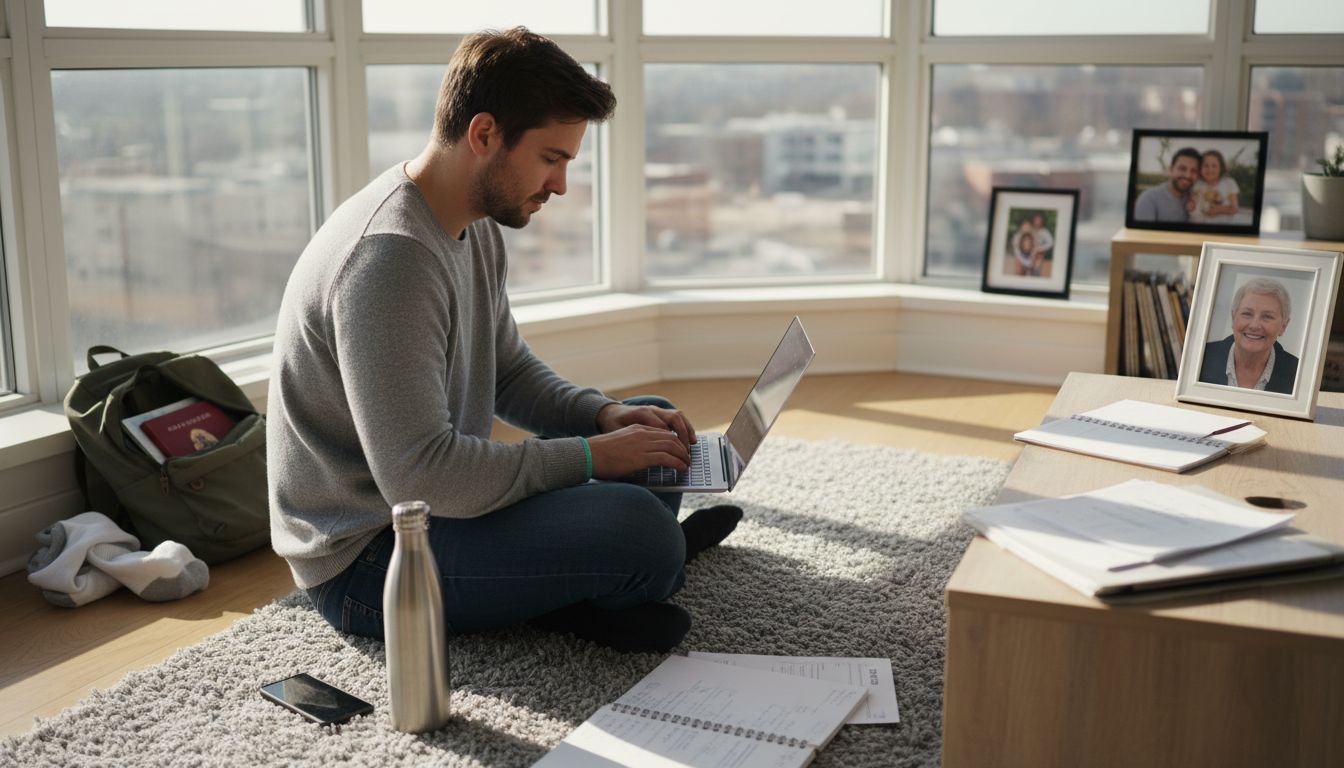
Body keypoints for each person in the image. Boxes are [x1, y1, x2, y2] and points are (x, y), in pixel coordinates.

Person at [267, 28, 744, 654]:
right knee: (640, 533)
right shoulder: (389, 261)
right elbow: (422, 478)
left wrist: (601, 416)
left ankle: (591, 579)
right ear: (484, 134)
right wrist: (594, 457)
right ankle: (629, 566)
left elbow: (508, 370)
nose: (562, 185)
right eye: (552, 158)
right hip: (372, 559)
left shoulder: (470, 217)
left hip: (440, 508)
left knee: (651, 423)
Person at [1198, 277, 1299, 394]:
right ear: (1233, 318)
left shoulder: (1298, 373)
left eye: (1267, 317)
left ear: (1283, 326)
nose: (1254, 325)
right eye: (1247, 314)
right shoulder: (1202, 357)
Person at [1133, 147, 1200, 223]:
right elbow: (1142, 234)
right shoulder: (1148, 199)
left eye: (1193, 171)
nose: (1187, 175)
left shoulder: (1196, 197)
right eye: (1182, 169)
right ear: (1171, 170)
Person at [1187, 149, 1240, 224]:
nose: (1210, 169)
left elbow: (1235, 209)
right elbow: (1191, 200)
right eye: (1205, 166)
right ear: (1200, 168)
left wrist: (1219, 210)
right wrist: (1190, 204)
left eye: (1214, 166)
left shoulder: (1229, 183)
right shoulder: (1198, 183)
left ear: (1221, 168)